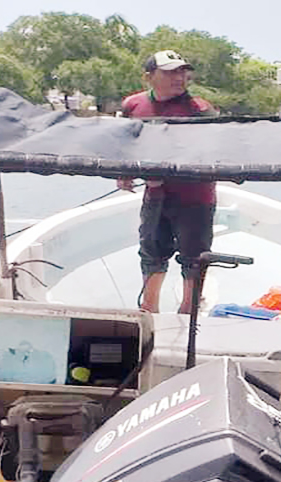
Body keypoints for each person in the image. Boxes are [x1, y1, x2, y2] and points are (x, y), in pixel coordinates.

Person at [118, 50, 217, 314]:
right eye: (170, 72)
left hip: (195, 197)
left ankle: (188, 309)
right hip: (155, 194)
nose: (179, 77)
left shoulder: (200, 110)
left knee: (194, 256)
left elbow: (212, 151)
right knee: (151, 250)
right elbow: (126, 143)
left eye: (182, 71)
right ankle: (149, 308)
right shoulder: (132, 106)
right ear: (149, 77)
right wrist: (125, 172)